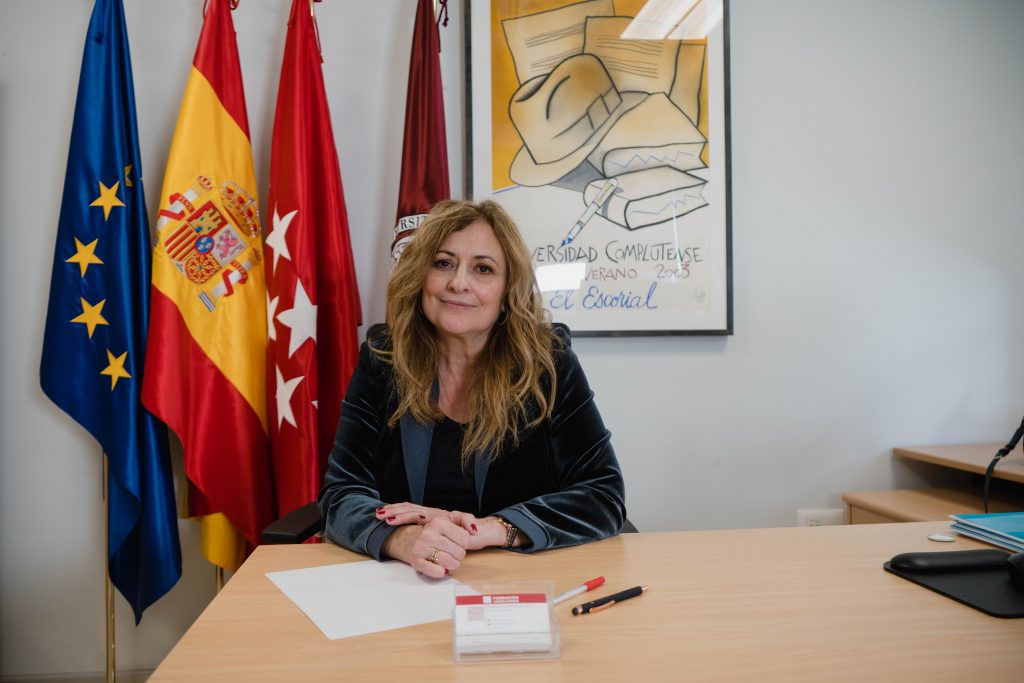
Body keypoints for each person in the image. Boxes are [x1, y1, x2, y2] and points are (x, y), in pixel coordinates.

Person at [318, 199, 626, 577]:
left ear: (507, 290)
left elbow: (603, 494)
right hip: (406, 581)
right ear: (420, 276)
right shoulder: (383, 359)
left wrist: (491, 529)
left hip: (520, 581)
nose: (458, 282)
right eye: (443, 263)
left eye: (483, 268)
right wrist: (402, 539)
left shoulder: (548, 363)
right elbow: (341, 495)